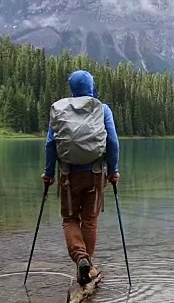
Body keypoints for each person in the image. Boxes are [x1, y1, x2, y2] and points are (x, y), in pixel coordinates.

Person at [41, 69, 120, 286]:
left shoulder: (59, 109)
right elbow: (112, 142)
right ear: (92, 86)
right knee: (90, 219)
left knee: (69, 219)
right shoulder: (102, 109)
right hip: (95, 175)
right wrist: (113, 171)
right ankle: (87, 264)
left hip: (68, 176)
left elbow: (50, 144)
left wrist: (48, 174)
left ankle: (81, 259)